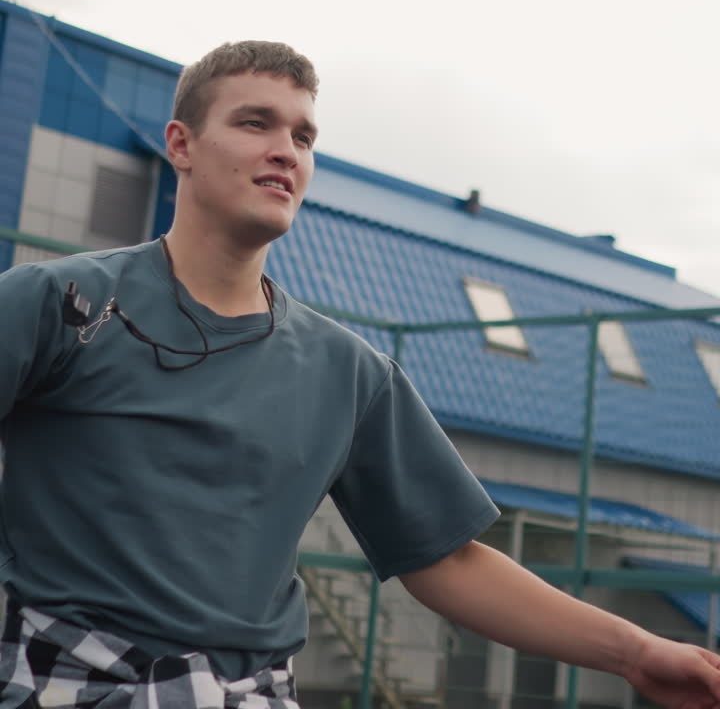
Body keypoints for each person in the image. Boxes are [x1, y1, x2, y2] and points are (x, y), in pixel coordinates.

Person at [0, 40, 719, 709]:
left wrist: (636, 653)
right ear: (180, 145)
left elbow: (450, 560)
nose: (285, 151)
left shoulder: (350, 371)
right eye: (256, 123)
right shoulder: (55, 303)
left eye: (304, 137)